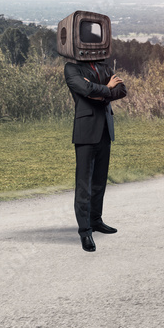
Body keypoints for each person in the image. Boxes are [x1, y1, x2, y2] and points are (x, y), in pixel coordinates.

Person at [64, 58, 127, 252]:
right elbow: (84, 90)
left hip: (105, 131)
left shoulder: (104, 66)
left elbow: (122, 90)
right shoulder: (72, 68)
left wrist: (99, 92)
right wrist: (107, 88)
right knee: (84, 184)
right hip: (86, 131)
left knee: (99, 181)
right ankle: (85, 232)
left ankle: (96, 220)